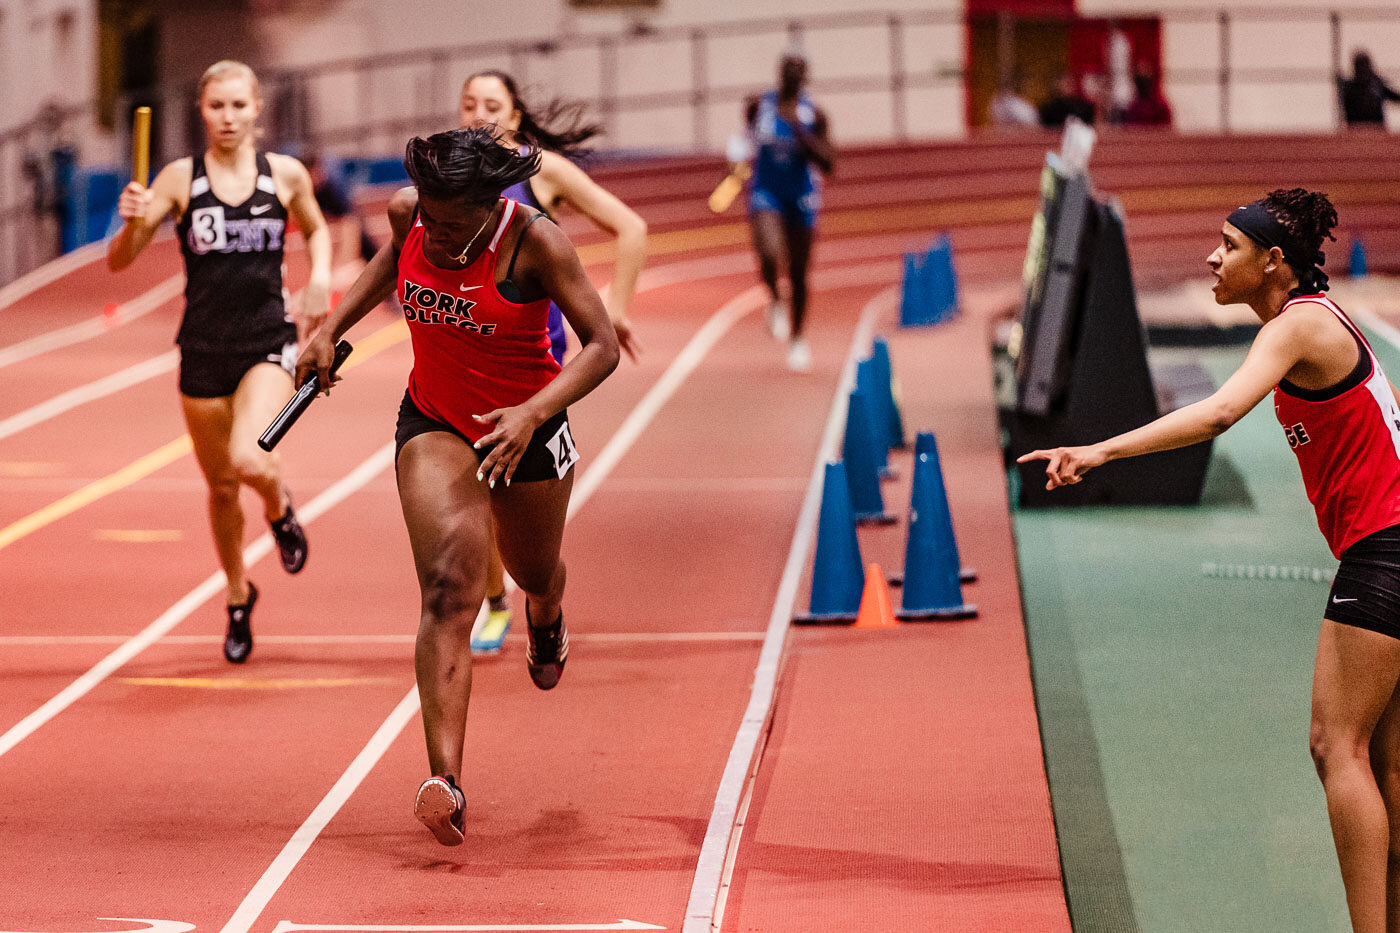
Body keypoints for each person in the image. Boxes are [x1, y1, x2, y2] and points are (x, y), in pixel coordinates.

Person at [1018, 188, 1400, 933]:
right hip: (1392, 544)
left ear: (1273, 262)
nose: (1212, 258)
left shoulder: (1298, 327)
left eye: (1229, 246)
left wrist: (1098, 449)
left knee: (1336, 745)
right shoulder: (1321, 322)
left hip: (1383, 551)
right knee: (1386, 768)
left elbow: (1220, 412)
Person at [297, 127, 619, 846]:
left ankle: (548, 607)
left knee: (534, 567)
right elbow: (390, 262)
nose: (435, 236)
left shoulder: (536, 242)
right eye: (429, 221)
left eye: (450, 225)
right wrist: (329, 327)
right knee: (448, 589)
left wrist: (533, 413)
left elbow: (600, 344)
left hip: (527, 427)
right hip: (435, 418)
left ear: (488, 204)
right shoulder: (412, 213)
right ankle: (445, 781)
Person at [107, 60, 330, 664]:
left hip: (267, 341)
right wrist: (132, 221)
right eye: (215, 107)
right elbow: (119, 262)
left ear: (257, 109)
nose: (227, 118)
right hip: (202, 349)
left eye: (238, 106)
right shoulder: (180, 179)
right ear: (201, 112)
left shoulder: (282, 175)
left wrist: (321, 281)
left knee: (249, 456)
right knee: (222, 487)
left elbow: (316, 230)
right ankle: (238, 594)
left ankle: (280, 509)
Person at [458, 70, 645, 654]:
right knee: (476, 484)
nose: (478, 114)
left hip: (535, 361)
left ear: (515, 118)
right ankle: (494, 602)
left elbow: (631, 227)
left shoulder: (543, 170)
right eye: (469, 104)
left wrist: (612, 311)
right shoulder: (452, 174)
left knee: (517, 503)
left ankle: (540, 595)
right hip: (464, 349)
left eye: (492, 105)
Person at [735, 54, 835, 372]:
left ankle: (797, 339)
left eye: (798, 74)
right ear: (779, 75)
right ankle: (775, 299)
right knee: (767, 251)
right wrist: (736, 157)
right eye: (787, 72)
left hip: (802, 196)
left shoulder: (813, 115)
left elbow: (829, 162)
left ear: (804, 79)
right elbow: (745, 136)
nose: (791, 78)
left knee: (799, 273)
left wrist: (797, 128)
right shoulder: (758, 106)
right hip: (766, 192)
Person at [1341, 51, 1400, 128]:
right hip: (1355, 131)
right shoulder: (1348, 87)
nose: (1362, 70)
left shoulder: (1378, 85)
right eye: (1360, 67)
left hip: (1377, 130)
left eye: (1364, 66)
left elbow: (1395, 97)